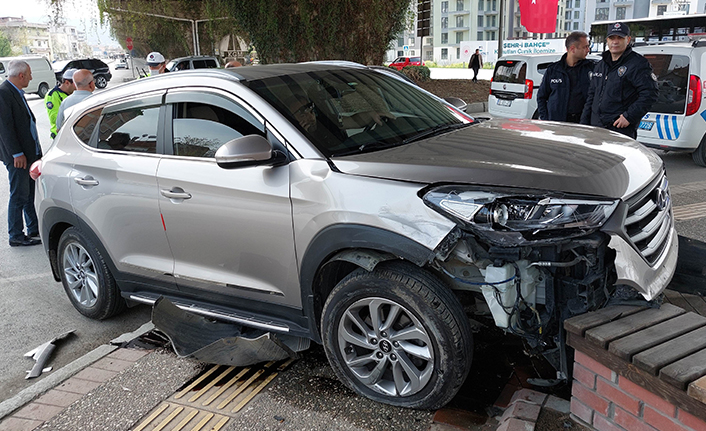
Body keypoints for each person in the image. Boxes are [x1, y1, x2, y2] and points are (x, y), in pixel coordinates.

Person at [581, 22, 658, 139]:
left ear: (628, 40)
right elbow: (592, 95)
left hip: (619, 129)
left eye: (620, 38)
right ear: (607, 40)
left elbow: (650, 94)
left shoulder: (638, 64)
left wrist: (629, 116)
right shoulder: (601, 65)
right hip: (596, 128)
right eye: (612, 38)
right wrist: (584, 124)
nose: (615, 42)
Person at [0, 60, 42, 247]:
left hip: (28, 152)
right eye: (30, 74)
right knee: (19, 195)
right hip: (18, 156)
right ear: (21, 75)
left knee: (28, 194)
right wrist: (17, 153)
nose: (32, 77)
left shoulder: (16, 92)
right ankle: (16, 234)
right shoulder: (3, 93)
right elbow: (5, 128)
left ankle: (33, 228)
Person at [537, 32, 594, 123]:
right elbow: (541, 97)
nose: (588, 50)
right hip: (558, 123)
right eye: (585, 47)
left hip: (582, 123)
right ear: (572, 49)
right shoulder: (554, 70)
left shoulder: (591, 69)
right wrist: (546, 119)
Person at [45, 68, 76, 138]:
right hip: (60, 134)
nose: (78, 87)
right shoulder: (52, 95)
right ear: (67, 82)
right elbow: (54, 118)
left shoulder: (74, 93)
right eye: (76, 84)